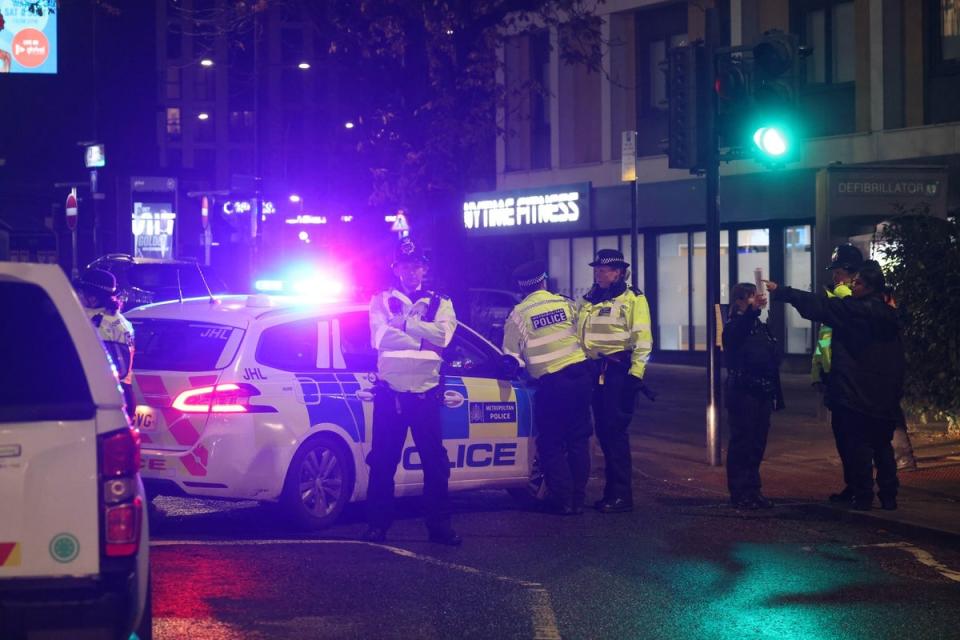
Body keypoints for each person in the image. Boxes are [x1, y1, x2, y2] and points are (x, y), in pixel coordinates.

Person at [767, 260, 904, 510]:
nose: (853, 286)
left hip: (855, 391)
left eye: (858, 282)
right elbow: (897, 358)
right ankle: (889, 496)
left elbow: (817, 305)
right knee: (882, 446)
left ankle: (863, 496)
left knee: (858, 446)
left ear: (870, 287)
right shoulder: (890, 315)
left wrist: (781, 291)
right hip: (883, 395)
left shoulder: (852, 311)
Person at [363, 237, 461, 545]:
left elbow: (443, 338)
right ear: (396, 268)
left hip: (425, 393)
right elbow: (380, 338)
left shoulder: (439, 302)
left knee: (436, 465)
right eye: (406, 266)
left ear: (425, 269)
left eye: (417, 266)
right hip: (391, 394)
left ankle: (439, 528)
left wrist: (404, 326)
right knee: (382, 463)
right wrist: (422, 336)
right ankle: (377, 526)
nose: (412, 272)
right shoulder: (379, 299)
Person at [502, 260, 593, 515]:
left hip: (552, 385)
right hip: (580, 378)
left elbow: (510, 356)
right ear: (544, 281)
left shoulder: (519, 313)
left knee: (551, 444)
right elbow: (584, 336)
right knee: (577, 441)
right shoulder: (565, 303)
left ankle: (561, 500)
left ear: (522, 288)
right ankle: (578, 499)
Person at [578, 249, 653, 513]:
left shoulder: (632, 299)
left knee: (614, 433)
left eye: (604, 269)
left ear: (619, 272)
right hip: (594, 371)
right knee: (603, 432)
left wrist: (636, 374)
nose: (599, 273)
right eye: (596, 269)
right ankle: (611, 493)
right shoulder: (590, 299)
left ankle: (621, 495)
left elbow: (642, 339)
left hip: (617, 371)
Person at [722, 282, 784, 509]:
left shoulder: (760, 325)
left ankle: (753, 489)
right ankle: (740, 492)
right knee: (743, 441)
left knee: (757, 441)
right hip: (743, 390)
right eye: (750, 298)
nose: (754, 301)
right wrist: (753, 311)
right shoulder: (735, 324)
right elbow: (737, 334)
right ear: (739, 300)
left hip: (762, 389)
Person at [811, 243, 862, 503]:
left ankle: (859, 488)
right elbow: (823, 340)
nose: (834, 277)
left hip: (849, 380)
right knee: (843, 437)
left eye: (838, 271)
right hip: (835, 378)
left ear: (851, 272)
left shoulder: (849, 300)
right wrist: (817, 371)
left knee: (853, 438)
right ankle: (853, 486)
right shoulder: (836, 298)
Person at [76, 268, 136, 417]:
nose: (77, 296)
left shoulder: (98, 324)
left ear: (93, 299)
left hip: (107, 399)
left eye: (81, 292)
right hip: (123, 393)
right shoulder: (120, 320)